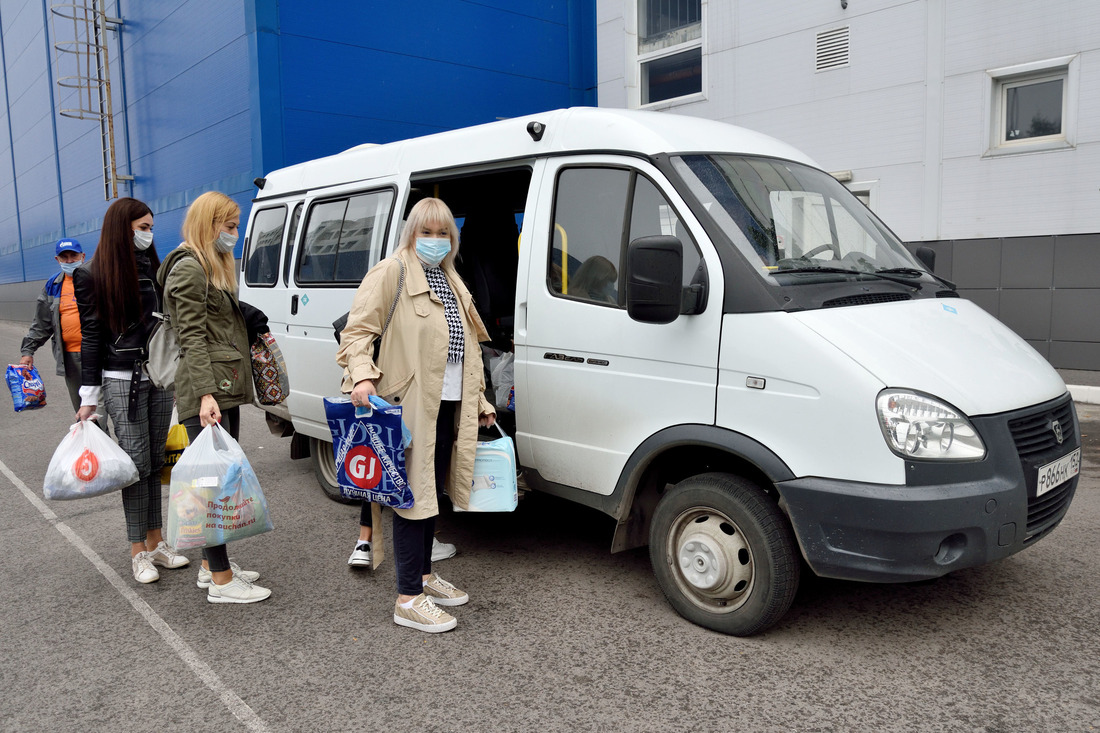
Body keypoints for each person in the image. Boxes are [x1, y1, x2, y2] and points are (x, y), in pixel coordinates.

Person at [337, 197, 496, 633]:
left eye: (443, 232)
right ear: (411, 234)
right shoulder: (392, 271)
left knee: (431, 494)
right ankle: (408, 597)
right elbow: (356, 334)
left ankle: (424, 575)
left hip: (447, 403)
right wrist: (363, 377)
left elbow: (464, 353)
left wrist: (478, 401)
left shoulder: (448, 277)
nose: (434, 240)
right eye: (426, 232)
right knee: (412, 497)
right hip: (404, 407)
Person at [159, 191, 270, 604]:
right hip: (206, 393)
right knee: (211, 486)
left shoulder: (208, 266)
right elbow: (191, 337)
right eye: (229, 226)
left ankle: (211, 567)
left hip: (220, 388)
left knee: (220, 481)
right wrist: (206, 394)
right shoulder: (189, 268)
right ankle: (222, 581)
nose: (235, 234)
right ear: (210, 225)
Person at [74, 198, 189, 584]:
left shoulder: (154, 268)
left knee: (156, 461)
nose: (148, 233)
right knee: (135, 465)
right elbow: (91, 337)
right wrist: (88, 397)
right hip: (121, 379)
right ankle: (137, 550)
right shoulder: (92, 274)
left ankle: (157, 543)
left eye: (150, 226)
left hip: (158, 377)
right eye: (142, 226)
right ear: (123, 228)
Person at [19, 238, 95, 414]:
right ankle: (92, 441)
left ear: (82, 256)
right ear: (57, 260)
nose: (69, 261)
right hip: (71, 359)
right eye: (64, 257)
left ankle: (106, 440)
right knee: (84, 413)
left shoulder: (96, 279)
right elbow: (41, 323)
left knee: (104, 408)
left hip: (99, 355)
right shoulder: (53, 286)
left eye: (73, 256)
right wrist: (27, 351)